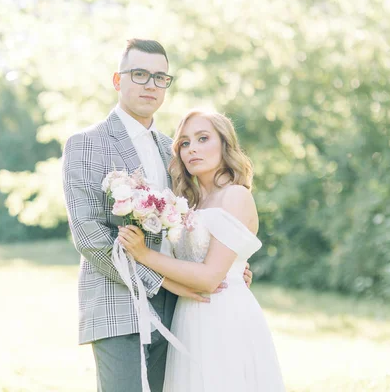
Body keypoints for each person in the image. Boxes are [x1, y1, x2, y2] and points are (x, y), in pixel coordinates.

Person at [62, 39, 253, 391]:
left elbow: (194, 217)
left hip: (181, 311)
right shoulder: (86, 143)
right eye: (140, 74)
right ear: (118, 81)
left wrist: (226, 263)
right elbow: (89, 237)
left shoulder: (174, 148)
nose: (150, 84)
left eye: (160, 77)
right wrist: (163, 281)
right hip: (117, 306)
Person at [118, 110, 286, 391]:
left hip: (222, 315)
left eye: (203, 138)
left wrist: (144, 254)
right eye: (184, 143)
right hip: (188, 315)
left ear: (225, 144)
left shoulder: (236, 195)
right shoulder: (189, 205)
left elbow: (209, 278)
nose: (192, 148)